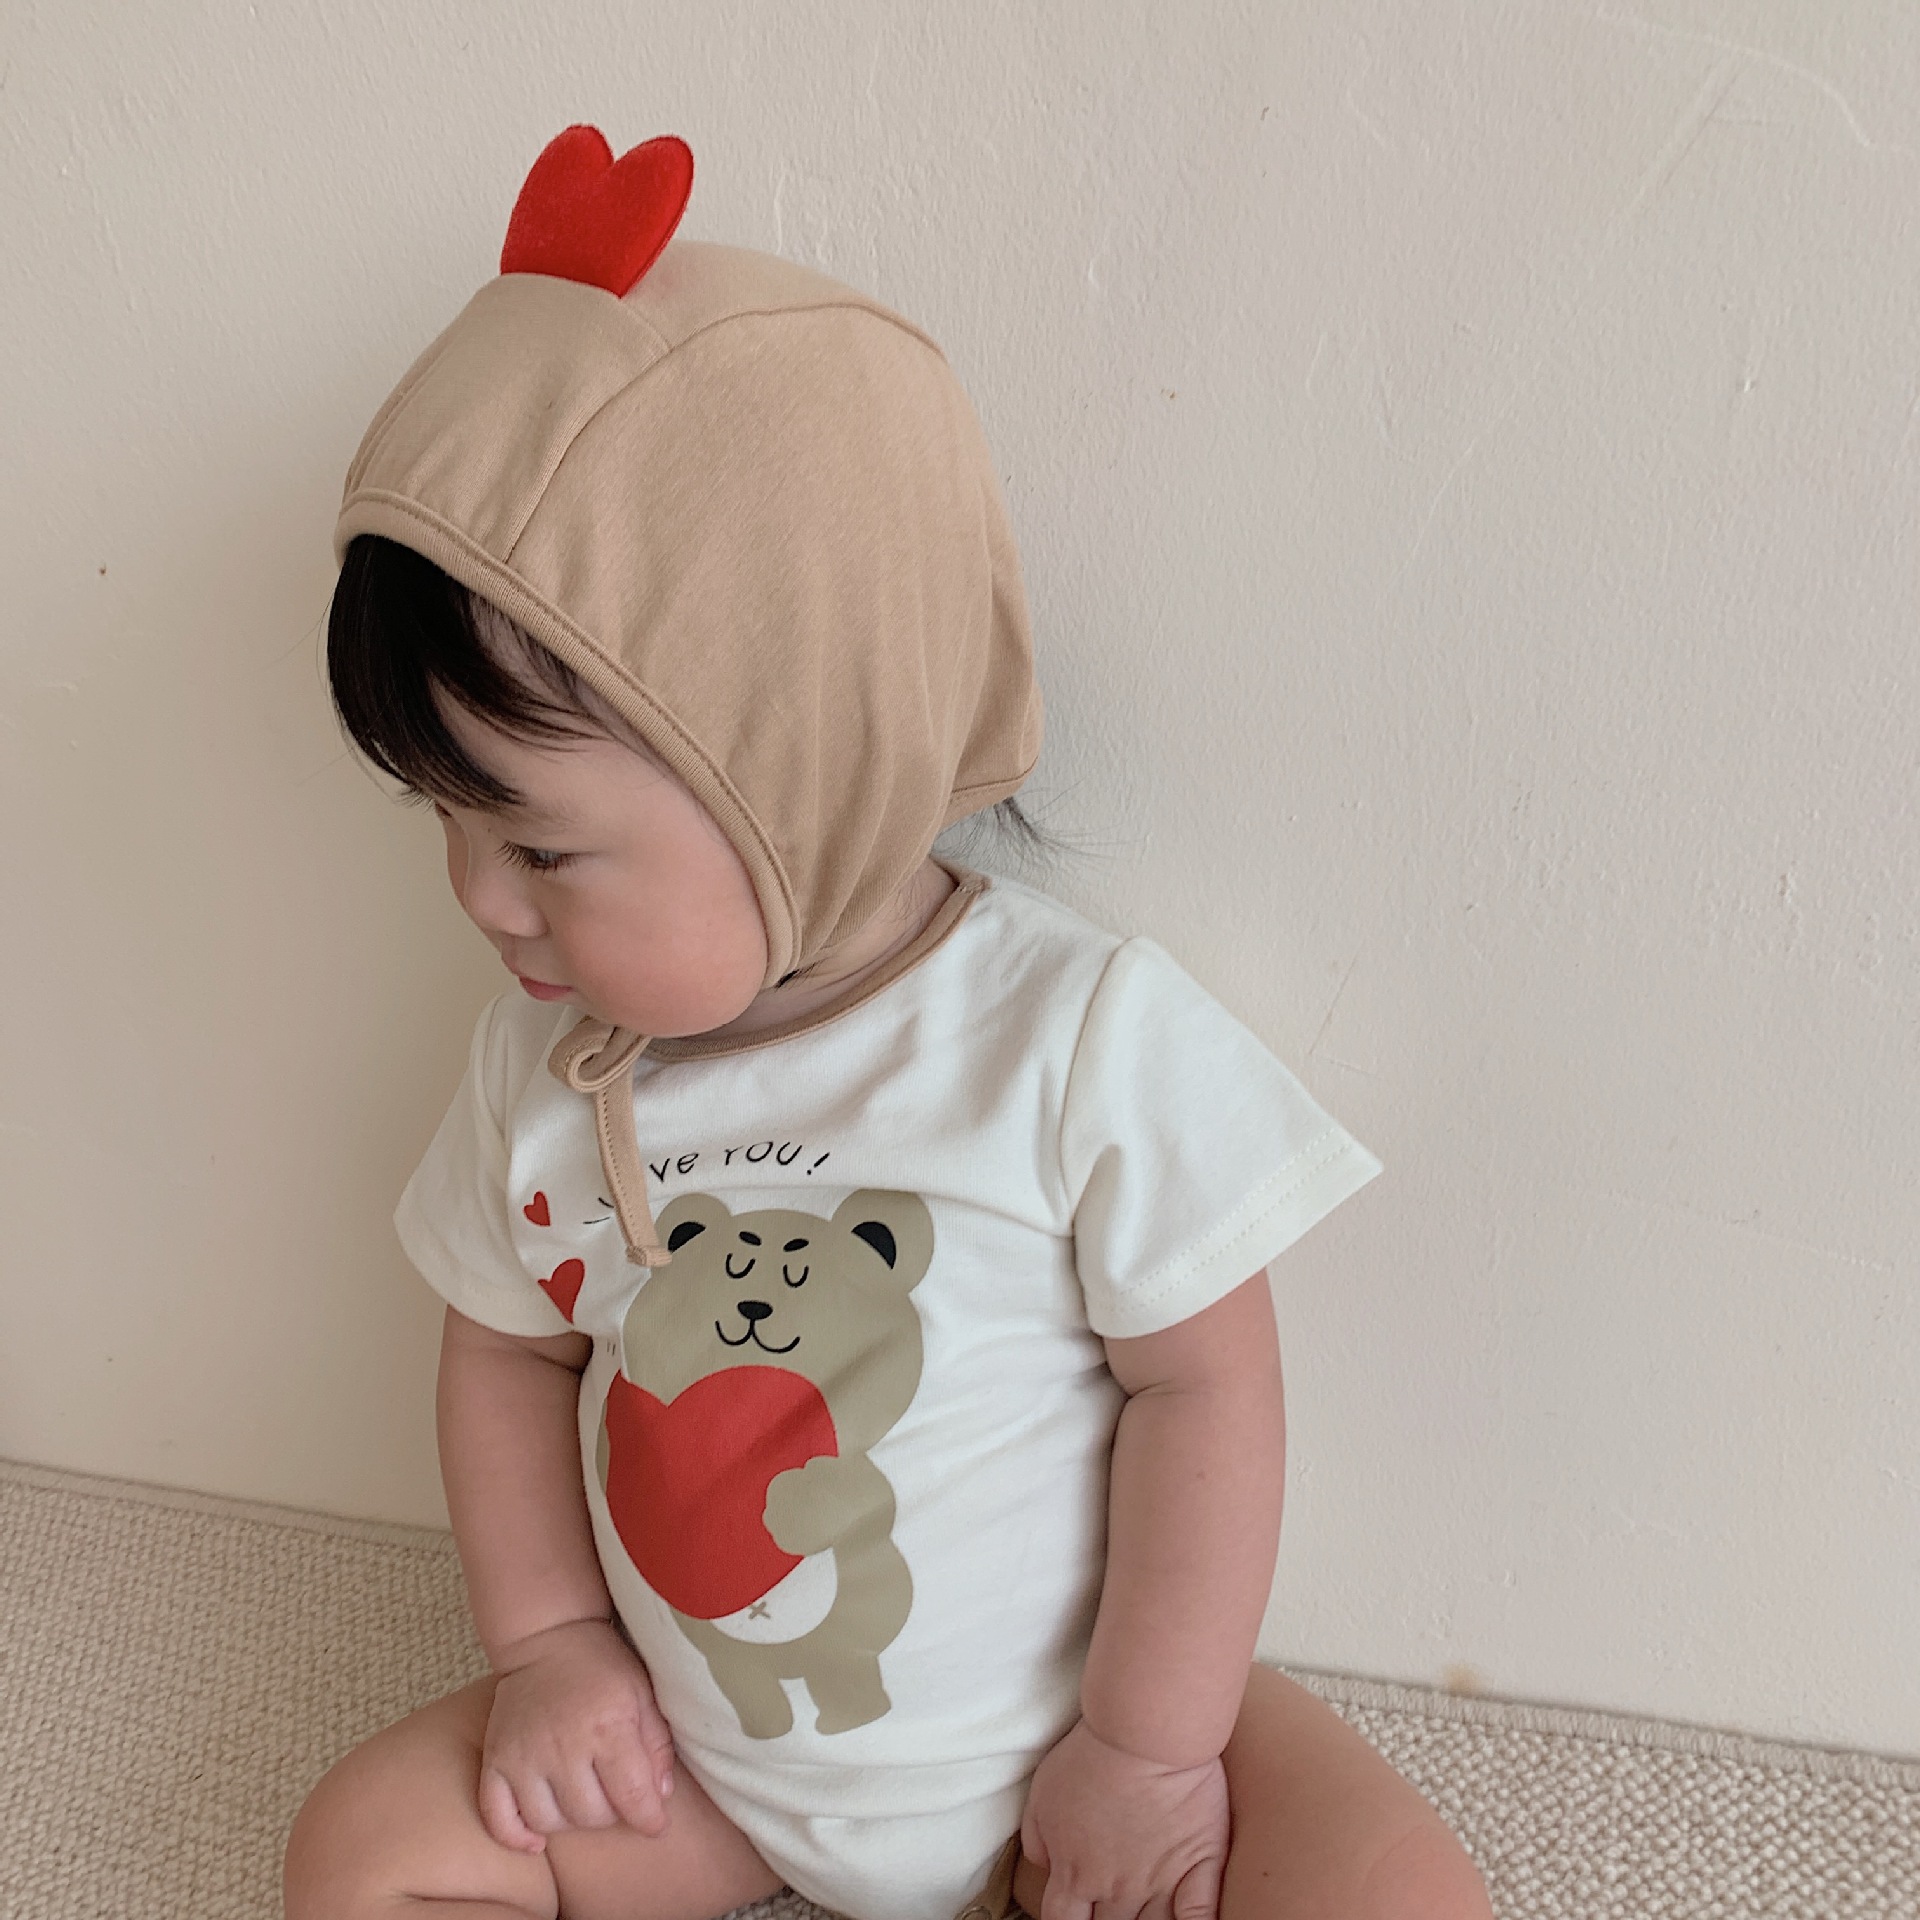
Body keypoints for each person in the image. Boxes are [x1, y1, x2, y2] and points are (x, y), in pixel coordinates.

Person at [284, 128, 1492, 1920]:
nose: (479, 897)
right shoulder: (539, 1076)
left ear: (799, 772)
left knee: (1402, 1896)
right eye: (443, 822)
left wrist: (1149, 1753)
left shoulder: (1068, 1040)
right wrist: (550, 1648)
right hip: (714, 1768)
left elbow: (1208, 1386)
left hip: (1081, 1770)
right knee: (361, 1856)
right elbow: (505, 1358)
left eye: (535, 844)